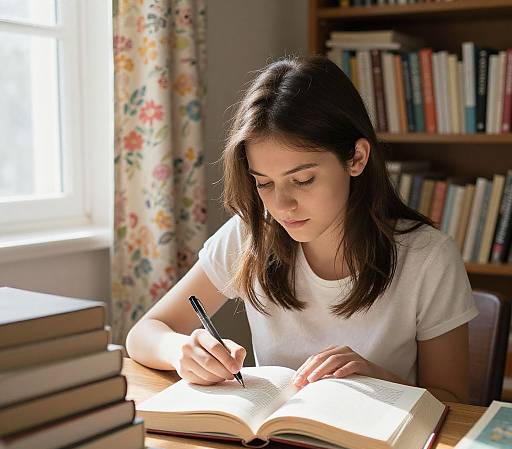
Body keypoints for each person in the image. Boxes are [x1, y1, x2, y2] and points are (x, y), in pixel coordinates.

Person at [126, 55, 478, 402]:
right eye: (264, 183)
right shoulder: (251, 235)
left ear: (356, 158)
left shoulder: (427, 257)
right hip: (278, 448)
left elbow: (454, 402)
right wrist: (180, 351)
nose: (282, 205)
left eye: (303, 180)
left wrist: (377, 378)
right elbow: (143, 333)